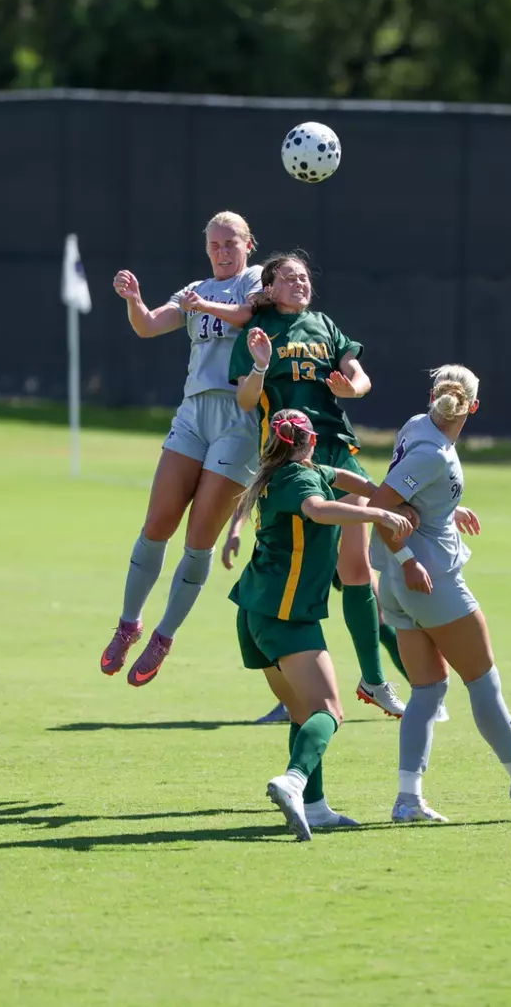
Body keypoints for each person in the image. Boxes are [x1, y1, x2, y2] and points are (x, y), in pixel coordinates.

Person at [369, 366, 511, 822]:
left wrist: (448, 507)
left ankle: (407, 800)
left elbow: (408, 493)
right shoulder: (436, 454)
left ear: (432, 396)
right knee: (482, 681)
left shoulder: (415, 426)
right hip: (429, 580)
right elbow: (380, 507)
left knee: (427, 690)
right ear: (474, 406)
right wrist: (410, 561)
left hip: (395, 586)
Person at [228, 253, 408, 719]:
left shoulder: (325, 324)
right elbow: (246, 399)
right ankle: (294, 694)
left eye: (304, 277)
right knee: (288, 566)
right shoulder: (259, 331)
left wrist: (356, 389)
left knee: (354, 571)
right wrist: (262, 366)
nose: (300, 283)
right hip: (286, 461)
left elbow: (359, 376)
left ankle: (374, 680)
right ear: (269, 286)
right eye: (289, 277)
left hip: (334, 451)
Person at [98, 211, 270, 687]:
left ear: (248, 243)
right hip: (193, 414)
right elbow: (149, 326)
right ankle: (128, 624)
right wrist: (134, 301)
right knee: (157, 524)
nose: (221, 251)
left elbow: (249, 314)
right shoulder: (194, 288)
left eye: (230, 242)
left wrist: (203, 306)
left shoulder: (254, 280)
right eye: (214, 244)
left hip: (238, 419)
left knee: (199, 540)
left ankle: (164, 635)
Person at [226, 408, 413, 840]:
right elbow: (319, 509)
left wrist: (393, 499)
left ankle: (315, 806)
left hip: (254, 610)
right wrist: (378, 516)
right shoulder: (300, 481)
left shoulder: (282, 471)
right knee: (329, 712)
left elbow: (346, 479)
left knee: (301, 712)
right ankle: (293, 781)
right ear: (309, 441)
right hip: (286, 615)